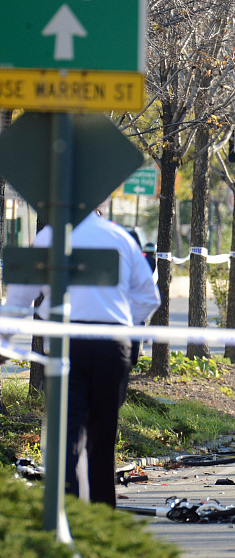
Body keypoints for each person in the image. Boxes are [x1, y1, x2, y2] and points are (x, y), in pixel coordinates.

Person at [5, 209, 161, 507]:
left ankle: (71, 516)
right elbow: (148, 298)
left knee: (68, 435)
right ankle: (102, 522)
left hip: (67, 344)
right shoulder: (120, 237)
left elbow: (19, 297)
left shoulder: (50, 236)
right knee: (102, 436)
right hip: (112, 346)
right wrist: (123, 325)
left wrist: (3, 340)